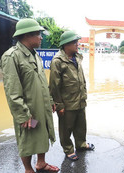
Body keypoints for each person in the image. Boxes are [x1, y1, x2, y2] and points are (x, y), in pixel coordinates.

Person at [0, 18, 59, 173]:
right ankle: (28, 169)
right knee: (27, 139)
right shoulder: (12, 57)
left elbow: (42, 81)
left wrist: (50, 100)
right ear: (27, 35)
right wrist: (22, 114)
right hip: (28, 109)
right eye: (38, 34)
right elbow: (12, 91)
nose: (41, 37)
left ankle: (41, 163)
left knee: (43, 133)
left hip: (42, 105)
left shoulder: (35, 55)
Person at [49, 31, 94, 161]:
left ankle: (80, 144)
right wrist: (59, 105)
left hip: (80, 99)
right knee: (66, 128)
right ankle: (68, 149)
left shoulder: (77, 57)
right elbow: (54, 86)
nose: (77, 44)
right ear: (66, 45)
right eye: (75, 42)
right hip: (67, 103)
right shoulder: (57, 61)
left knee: (81, 125)